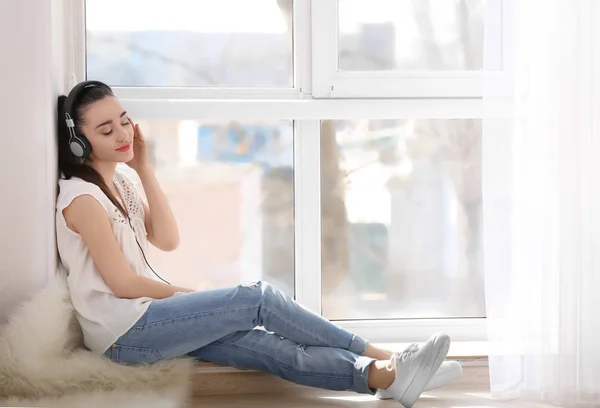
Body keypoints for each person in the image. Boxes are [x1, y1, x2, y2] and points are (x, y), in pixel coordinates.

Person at [55, 80, 462, 408]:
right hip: (123, 334)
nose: (123, 134)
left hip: (145, 319)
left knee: (259, 345)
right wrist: (187, 296)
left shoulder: (121, 181)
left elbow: (167, 239)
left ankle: (384, 377)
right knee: (258, 298)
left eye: (125, 121)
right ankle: (386, 356)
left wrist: (143, 168)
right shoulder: (82, 199)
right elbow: (122, 284)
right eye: (106, 130)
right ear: (79, 142)